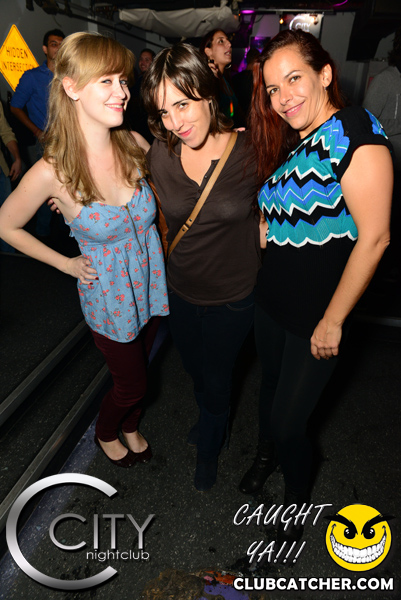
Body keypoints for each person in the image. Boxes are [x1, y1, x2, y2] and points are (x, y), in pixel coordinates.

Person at [238, 30, 393, 542]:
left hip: (316, 315)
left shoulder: (354, 130)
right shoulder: (297, 140)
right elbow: (292, 206)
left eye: (294, 79)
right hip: (272, 299)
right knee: (269, 390)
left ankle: (296, 500)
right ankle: (265, 458)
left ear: (325, 74)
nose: (284, 97)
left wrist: (333, 320)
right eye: (273, 89)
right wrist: (267, 220)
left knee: (290, 423)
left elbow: (375, 237)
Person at [0, 32, 168, 467]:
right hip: (109, 296)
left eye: (123, 81)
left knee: (145, 368)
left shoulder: (133, 143)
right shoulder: (52, 171)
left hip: (151, 284)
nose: (122, 92)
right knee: (131, 384)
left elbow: (180, 186)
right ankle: (106, 431)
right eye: (106, 81)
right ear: (72, 87)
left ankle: (131, 425)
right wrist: (66, 264)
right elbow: (5, 225)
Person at [141, 43, 262, 491]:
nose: (175, 122)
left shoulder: (252, 151)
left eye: (183, 104)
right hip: (181, 291)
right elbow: (140, 204)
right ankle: (213, 414)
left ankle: (211, 443)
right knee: (195, 370)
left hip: (234, 295)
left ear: (209, 95)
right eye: (164, 111)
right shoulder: (160, 154)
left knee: (218, 376)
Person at [10, 28, 65, 238]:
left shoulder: (69, 76)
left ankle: (68, 235)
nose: (58, 48)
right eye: (53, 44)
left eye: (61, 44)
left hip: (69, 141)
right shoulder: (32, 77)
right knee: (45, 190)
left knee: (69, 186)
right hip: (45, 142)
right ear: (45, 49)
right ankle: (42, 237)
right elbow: (15, 106)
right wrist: (36, 130)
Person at [363, 28, 401, 282]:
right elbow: (366, 121)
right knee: (387, 221)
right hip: (389, 167)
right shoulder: (386, 79)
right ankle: (380, 273)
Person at [199, 30, 244, 127]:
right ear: (208, 52)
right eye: (221, 41)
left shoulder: (224, 79)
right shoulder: (205, 80)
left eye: (228, 41)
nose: (229, 44)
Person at [0, 102, 22, 251]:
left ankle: (10, 261)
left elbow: (5, 132)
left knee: (7, 223)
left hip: (1, 172)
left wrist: (17, 158)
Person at [126, 48, 156, 144]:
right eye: (141, 59)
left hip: (147, 125)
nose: (143, 62)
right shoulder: (140, 77)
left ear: (153, 62)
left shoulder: (151, 80)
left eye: (147, 60)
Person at [231, 47, 260, 119]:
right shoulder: (258, 79)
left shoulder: (235, 78)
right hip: (253, 118)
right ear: (256, 60)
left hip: (237, 118)